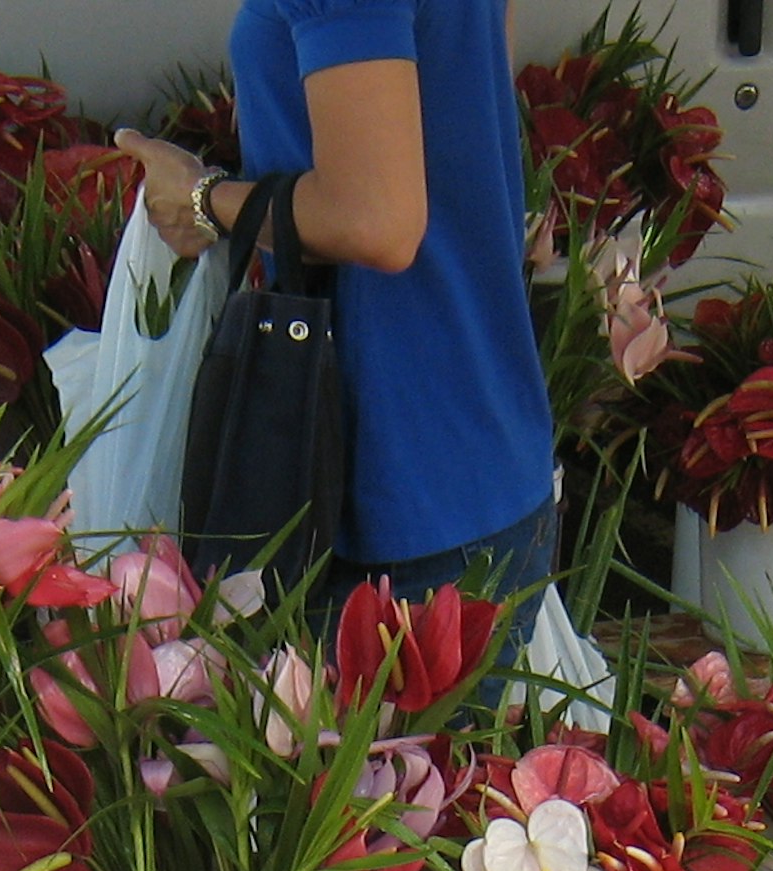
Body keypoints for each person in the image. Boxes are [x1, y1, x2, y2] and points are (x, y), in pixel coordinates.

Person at [111, 0, 557, 632]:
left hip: (385, 491)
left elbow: (376, 223)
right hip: (480, 449)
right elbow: (454, 108)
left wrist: (204, 201)